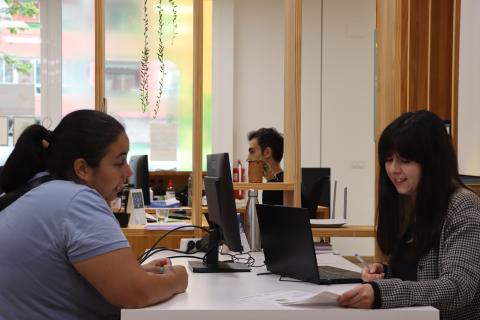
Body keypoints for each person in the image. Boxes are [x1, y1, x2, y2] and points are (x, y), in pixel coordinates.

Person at [0, 110, 188, 319]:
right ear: (82, 169)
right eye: (119, 162)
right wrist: (178, 278)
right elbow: (136, 293)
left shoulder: (42, 189)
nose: (128, 172)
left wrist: (134, 273)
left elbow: (58, 278)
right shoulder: (76, 200)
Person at [337, 110, 480, 319]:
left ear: (432, 162)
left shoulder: (463, 207)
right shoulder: (409, 201)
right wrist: (387, 272)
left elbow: (457, 289)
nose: (394, 169)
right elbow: (419, 273)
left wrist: (382, 293)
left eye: (404, 160)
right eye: (388, 159)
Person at [247, 127, 284, 205]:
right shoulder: (279, 181)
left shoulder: (273, 189)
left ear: (267, 152)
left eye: (252, 152)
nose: (247, 158)